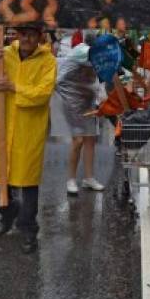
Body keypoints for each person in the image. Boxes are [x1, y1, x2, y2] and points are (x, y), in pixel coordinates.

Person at [0, 22, 57, 254]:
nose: (28, 39)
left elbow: (42, 94)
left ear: (40, 36)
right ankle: (9, 212)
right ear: (18, 35)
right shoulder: (4, 54)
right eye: (24, 34)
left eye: (33, 35)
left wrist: (13, 87)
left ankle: (29, 230)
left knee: (27, 184)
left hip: (28, 131)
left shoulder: (47, 60)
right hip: (2, 128)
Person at [55, 43, 105, 195]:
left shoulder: (97, 60)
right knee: (78, 141)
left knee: (90, 140)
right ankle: (71, 179)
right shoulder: (78, 58)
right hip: (72, 103)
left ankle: (89, 178)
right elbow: (59, 82)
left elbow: (97, 83)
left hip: (88, 102)